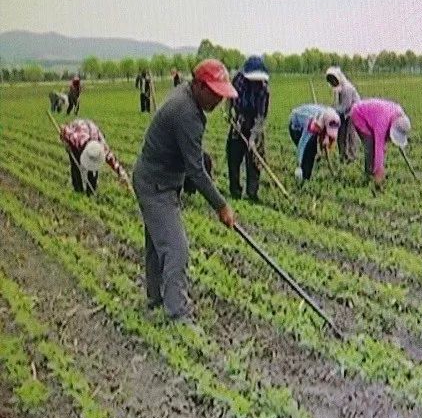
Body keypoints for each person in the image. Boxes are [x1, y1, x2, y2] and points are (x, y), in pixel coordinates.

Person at [132, 59, 237, 322]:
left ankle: (156, 300)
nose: (218, 100)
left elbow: (194, 161)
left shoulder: (187, 98)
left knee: (158, 245)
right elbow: (195, 171)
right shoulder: (186, 112)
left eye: (222, 95)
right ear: (200, 86)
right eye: (215, 93)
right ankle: (177, 313)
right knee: (176, 248)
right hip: (156, 185)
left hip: (154, 178)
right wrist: (221, 205)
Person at [226, 55, 270, 201]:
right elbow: (229, 98)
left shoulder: (264, 89)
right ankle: (235, 191)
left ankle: (252, 193)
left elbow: (260, 116)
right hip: (239, 119)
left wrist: (253, 138)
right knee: (233, 155)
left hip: (254, 122)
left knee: (254, 160)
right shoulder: (238, 80)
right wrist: (229, 113)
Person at [350, 98, 411, 188]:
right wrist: (379, 170)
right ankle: (369, 175)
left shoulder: (400, 115)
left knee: (381, 146)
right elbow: (378, 148)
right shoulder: (381, 124)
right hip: (359, 114)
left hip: (375, 115)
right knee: (371, 146)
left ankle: (376, 172)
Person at [58, 118, 130, 195]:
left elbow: (114, 162)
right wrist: (65, 142)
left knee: (92, 170)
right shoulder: (76, 140)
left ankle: (91, 191)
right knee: (75, 164)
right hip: (78, 129)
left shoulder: (103, 149)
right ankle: (78, 190)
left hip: (92, 132)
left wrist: (122, 175)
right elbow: (63, 128)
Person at [288, 104, 340, 184]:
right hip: (296, 125)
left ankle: (306, 176)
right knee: (308, 151)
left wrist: (322, 152)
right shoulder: (312, 124)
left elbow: (330, 138)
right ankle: (303, 178)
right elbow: (302, 144)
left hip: (318, 121)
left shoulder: (332, 118)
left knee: (312, 151)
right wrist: (298, 164)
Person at [325, 66, 361, 161]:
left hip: (353, 113)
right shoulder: (339, 88)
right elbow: (337, 104)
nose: (332, 83)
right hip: (343, 114)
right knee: (341, 135)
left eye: (333, 80)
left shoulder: (347, 88)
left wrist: (332, 111)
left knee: (349, 135)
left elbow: (346, 106)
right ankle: (343, 155)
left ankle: (351, 157)